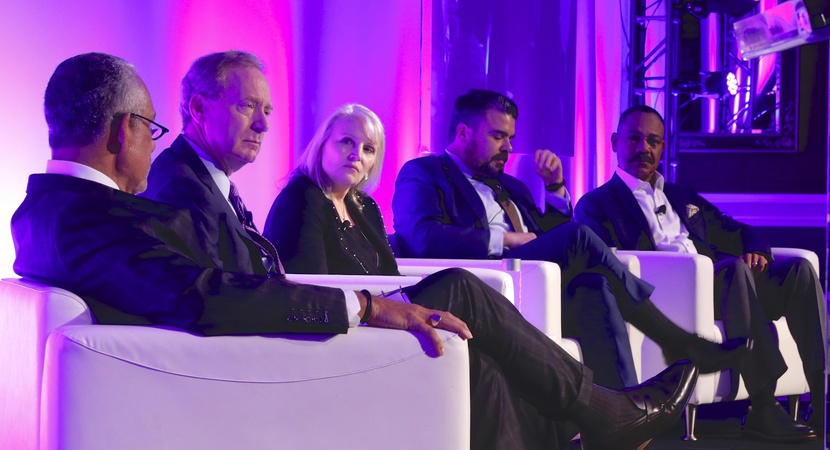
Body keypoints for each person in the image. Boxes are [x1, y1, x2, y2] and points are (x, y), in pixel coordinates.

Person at [11, 53, 699, 450]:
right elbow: (205, 295)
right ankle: (602, 415)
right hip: (256, 361)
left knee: (470, 350)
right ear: (126, 127)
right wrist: (367, 307)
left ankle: (593, 421)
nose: (153, 144)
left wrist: (373, 304)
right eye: (150, 128)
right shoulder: (98, 215)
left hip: (257, 341)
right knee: (457, 292)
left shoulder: (52, 211)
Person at [392, 88, 749, 389]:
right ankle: (676, 341)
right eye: (497, 136)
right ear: (464, 132)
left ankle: (621, 415)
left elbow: (553, 237)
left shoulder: (510, 185)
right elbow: (422, 238)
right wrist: (505, 241)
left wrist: (555, 189)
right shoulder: (423, 173)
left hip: (536, 284)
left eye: (511, 138)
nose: (507, 147)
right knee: (581, 236)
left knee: (595, 285)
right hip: (485, 284)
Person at [575, 104, 824, 443]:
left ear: (663, 147)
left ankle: (822, 397)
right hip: (670, 295)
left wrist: (758, 250)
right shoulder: (596, 203)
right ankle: (764, 407)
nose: (643, 148)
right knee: (732, 269)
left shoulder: (680, 195)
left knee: (799, 270)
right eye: (634, 138)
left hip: (725, 283)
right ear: (616, 141)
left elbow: (735, 229)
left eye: (653, 141)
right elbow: (610, 265)